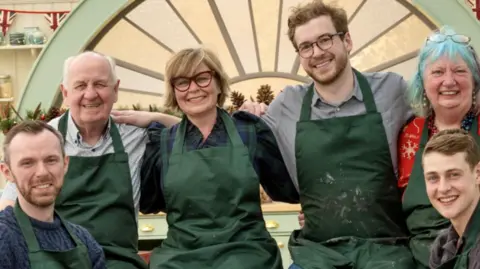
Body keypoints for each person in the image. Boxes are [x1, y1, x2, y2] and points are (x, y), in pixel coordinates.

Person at [240, 0, 416, 268]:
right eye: (306, 46)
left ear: (347, 40)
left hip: (387, 251)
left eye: (325, 40)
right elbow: (230, 134)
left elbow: (446, 107)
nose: (317, 52)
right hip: (317, 254)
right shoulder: (287, 105)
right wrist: (158, 119)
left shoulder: (392, 90)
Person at [0, 51, 178, 269]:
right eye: (80, 85)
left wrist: (156, 118)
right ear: (65, 93)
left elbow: (196, 135)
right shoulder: (46, 139)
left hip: (119, 262)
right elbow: (10, 204)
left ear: (116, 90)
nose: (91, 94)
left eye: (100, 84)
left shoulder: (136, 135)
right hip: (60, 259)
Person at [140, 47, 299, 269]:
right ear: (174, 91)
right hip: (181, 259)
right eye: (182, 82)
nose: (193, 88)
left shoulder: (250, 133)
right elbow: (149, 203)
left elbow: (289, 189)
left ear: (218, 83)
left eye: (202, 78)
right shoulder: (163, 143)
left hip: (247, 256)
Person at [398, 26, 480, 268]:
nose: (449, 81)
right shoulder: (409, 135)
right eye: (437, 72)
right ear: (422, 83)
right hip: (417, 258)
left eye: (459, 71)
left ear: (475, 82)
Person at [0, 120, 106, 269]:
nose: (42, 172)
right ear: (7, 172)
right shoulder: (3, 238)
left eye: (51, 160)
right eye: (27, 163)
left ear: (65, 164)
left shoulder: (84, 240)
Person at [421, 129, 480, 268]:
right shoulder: (442, 246)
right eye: (433, 178)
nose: (443, 188)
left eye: (453, 174)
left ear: (477, 174)